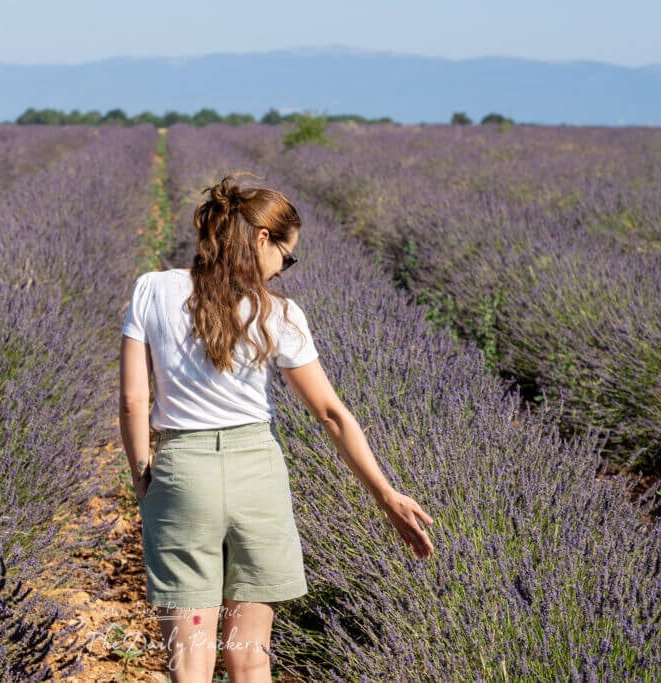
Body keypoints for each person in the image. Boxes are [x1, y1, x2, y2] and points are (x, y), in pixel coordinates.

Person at [119, 174, 434, 682]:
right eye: (286, 259)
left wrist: (142, 476)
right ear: (262, 240)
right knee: (249, 656)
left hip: (182, 475)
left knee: (191, 658)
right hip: (257, 479)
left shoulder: (152, 290)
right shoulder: (280, 314)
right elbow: (331, 414)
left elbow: (134, 400)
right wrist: (386, 496)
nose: (283, 272)